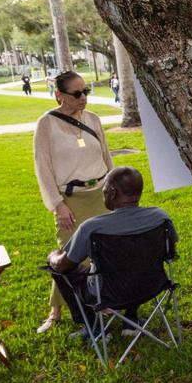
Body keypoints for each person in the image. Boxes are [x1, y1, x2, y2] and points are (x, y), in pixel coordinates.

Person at [46, 166, 176, 335]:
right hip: (152, 286)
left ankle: (94, 328)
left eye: (104, 188)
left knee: (58, 268)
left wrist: (52, 257)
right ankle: (131, 321)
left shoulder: (93, 228)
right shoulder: (161, 217)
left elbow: (64, 265)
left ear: (113, 193)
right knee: (133, 263)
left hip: (106, 294)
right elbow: (170, 252)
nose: (103, 193)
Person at [33, 71, 115, 334]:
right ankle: (55, 310)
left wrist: (114, 188)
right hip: (71, 199)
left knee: (104, 252)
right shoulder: (46, 124)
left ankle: (101, 302)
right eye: (77, 93)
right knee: (69, 255)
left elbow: (106, 154)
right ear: (60, 95)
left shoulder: (93, 119)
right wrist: (58, 204)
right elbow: (42, 168)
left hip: (101, 193)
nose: (83, 98)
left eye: (86, 91)